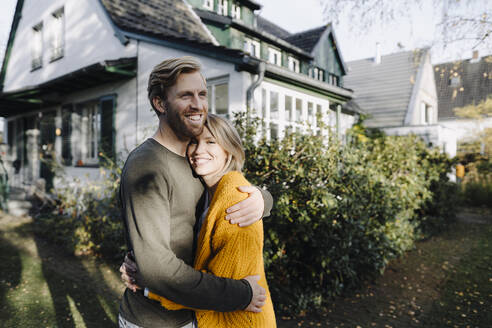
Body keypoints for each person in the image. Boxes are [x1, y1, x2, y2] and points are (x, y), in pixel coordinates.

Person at [119, 57, 273, 328]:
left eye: (202, 94)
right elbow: (158, 269)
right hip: (157, 320)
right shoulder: (147, 164)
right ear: (160, 103)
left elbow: (227, 187)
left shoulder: (195, 160)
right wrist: (241, 294)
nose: (198, 104)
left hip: (197, 314)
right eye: (185, 95)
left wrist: (263, 199)